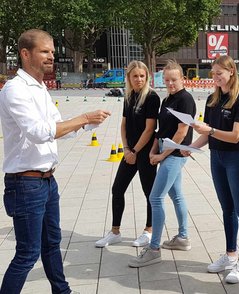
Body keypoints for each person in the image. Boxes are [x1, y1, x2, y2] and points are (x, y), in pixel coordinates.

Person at [0, 29, 111, 294]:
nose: (51, 56)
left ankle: (63, 291)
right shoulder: (15, 90)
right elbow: (39, 132)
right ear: (26, 54)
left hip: (47, 182)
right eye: (45, 51)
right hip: (25, 184)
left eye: (52, 51)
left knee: (52, 244)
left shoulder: (39, 89)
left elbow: (59, 128)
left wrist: (88, 124)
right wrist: (84, 117)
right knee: (27, 254)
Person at [184, 55, 239, 284]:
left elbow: (235, 136)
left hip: (236, 158)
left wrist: (210, 130)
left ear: (231, 72)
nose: (215, 78)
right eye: (212, 74)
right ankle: (230, 255)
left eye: (219, 74)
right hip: (217, 158)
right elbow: (206, 133)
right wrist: (190, 147)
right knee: (227, 209)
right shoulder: (213, 99)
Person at [128, 60, 196, 268]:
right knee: (176, 195)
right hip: (166, 152)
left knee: (155, 198)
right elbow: (161, 130)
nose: (170, 83)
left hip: (175, 155)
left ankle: (154, 248)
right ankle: (183, 238)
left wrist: (162, 156)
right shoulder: (168, 99)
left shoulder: (185, 100)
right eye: (166, 80)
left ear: (182, 78)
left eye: (174, 80)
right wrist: (152, 149)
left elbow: (181, 132)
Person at [95, 60, 160, 248]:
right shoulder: (129, 96)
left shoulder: (152, 97)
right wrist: (126, 149)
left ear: (147, 77)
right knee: (117, 189)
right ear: (129, 78)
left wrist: (135, 151)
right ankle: (115, 232)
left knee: (150, 193)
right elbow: (123, 125)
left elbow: (149, 130)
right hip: (130, 151)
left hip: (145, 152)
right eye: (135, 76)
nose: (139, 79)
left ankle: (149, 230)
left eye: (142, 76)